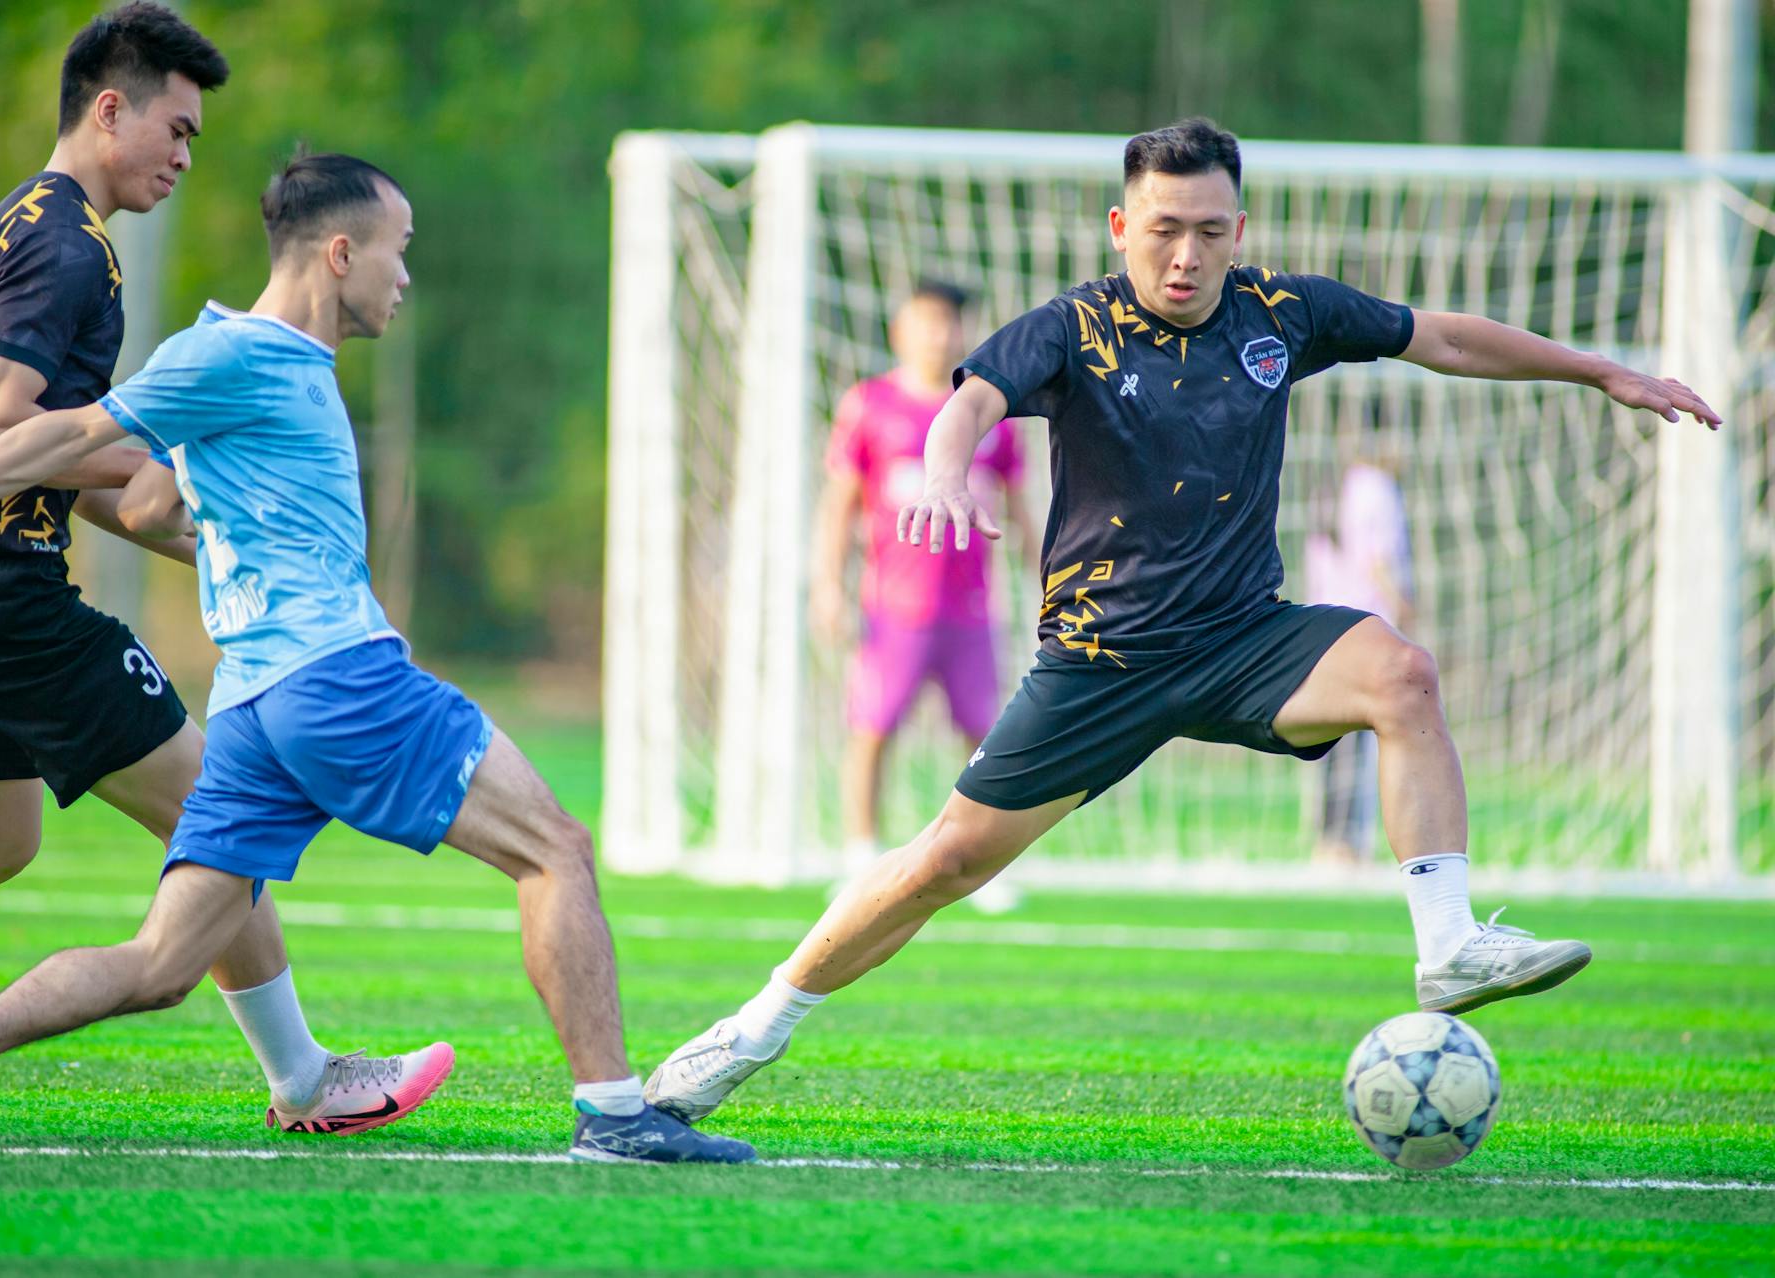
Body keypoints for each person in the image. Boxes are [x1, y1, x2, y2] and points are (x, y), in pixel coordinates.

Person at [641, 118, 1720, 1125]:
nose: (1186, 255)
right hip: (1100, 665)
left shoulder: (1282, 314)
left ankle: (1448, 946)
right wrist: (943, 471)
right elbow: (968, 401)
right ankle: (751, 1030)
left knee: (1401, 675)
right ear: (1123, 228)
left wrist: (1602, 372)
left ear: (1239, 230)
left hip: (1246, 641)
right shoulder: (1072, 327)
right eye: (1163, 230)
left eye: (1210, 230)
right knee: (943, 865)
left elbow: (1438, 335)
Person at [0, 152, 755, 1164]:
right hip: (339, 675)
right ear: (339, 254)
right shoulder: (243, 353)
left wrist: (226, 511)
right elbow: (62, 429)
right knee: (556, 850)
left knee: (160, 965)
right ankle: (616, 1114)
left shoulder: (247, 365)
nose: (404, 277)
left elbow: (149, 501)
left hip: (252, 711)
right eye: (396, 252)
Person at [0, 3, 440, 1137]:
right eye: (176, 129)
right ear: (109, 107)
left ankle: (299, 1074)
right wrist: (174, 474)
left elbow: (46, 459)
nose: (183, 156)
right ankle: (303, 1076)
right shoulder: (70, 242)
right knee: (215, 814)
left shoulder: (19, 222)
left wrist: (184, 517)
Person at [809, 281, 1034, 910]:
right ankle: (860, 853)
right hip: (894, 610)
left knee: (986, 736)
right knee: (873, 727)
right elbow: (838, 505)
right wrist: (828, 585)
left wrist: (1051, 579)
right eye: (926, 322)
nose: (939, 334)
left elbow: (1019, 510)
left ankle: (983, 864)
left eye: (949, 323)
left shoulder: (988, 414)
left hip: (970, 611)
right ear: (900, 330)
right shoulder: (869, 406)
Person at [1304, 439, 1415, 865]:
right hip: (1365, 631)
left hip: (1324, 628)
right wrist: (1403, 604)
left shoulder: (1338, 487)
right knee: (1369, 738)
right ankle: (1351, 842)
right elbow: (1378, 561)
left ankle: (1330, 840)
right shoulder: (1376, 487)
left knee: (1333, 739)